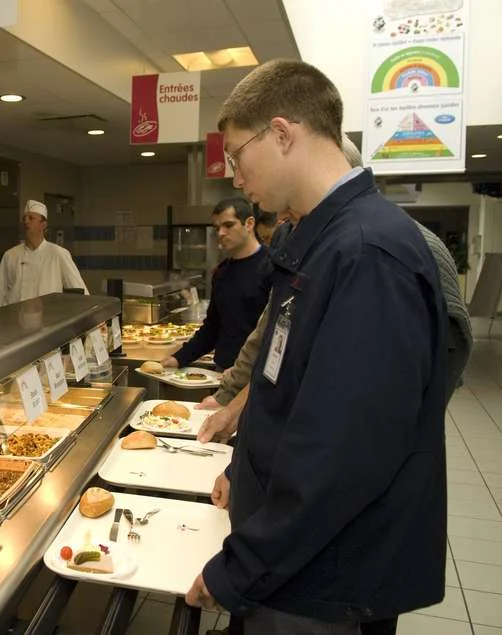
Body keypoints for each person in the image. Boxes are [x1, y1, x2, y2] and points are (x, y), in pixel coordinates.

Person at [184, 59, 448, 635]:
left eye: (236, 154)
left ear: (281, 134)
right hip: (289, 557)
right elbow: (283, 384)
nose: (233, 175)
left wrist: (239, 568)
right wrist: (244, 465)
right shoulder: (318, 240)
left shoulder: (368, 253)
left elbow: (342, 456)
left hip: (320, 579)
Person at [197, 134, 472, 444]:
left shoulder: (398, 247)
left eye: (294, 202)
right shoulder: (295, 236)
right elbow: (273, 333)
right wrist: (232, 401)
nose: (282, 218)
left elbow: (446, 352)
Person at [161, 198, 270, 371]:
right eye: (217, 228)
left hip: (256, 376)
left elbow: (275, 333)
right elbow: (212, 327)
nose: (221, 233)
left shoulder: (272, 267)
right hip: (222, 371)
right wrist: (179, 359)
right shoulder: (222, 273)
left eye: (228, 225)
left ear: (249, 224)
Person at [0, 199, 88, 308]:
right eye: (24, 218)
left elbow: (79, 290)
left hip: (48, 320)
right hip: (14, 320)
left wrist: (93, 318)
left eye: (31, 218)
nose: (26, 221)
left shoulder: (58, 254)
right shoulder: (10, 255)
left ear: (43, 224)